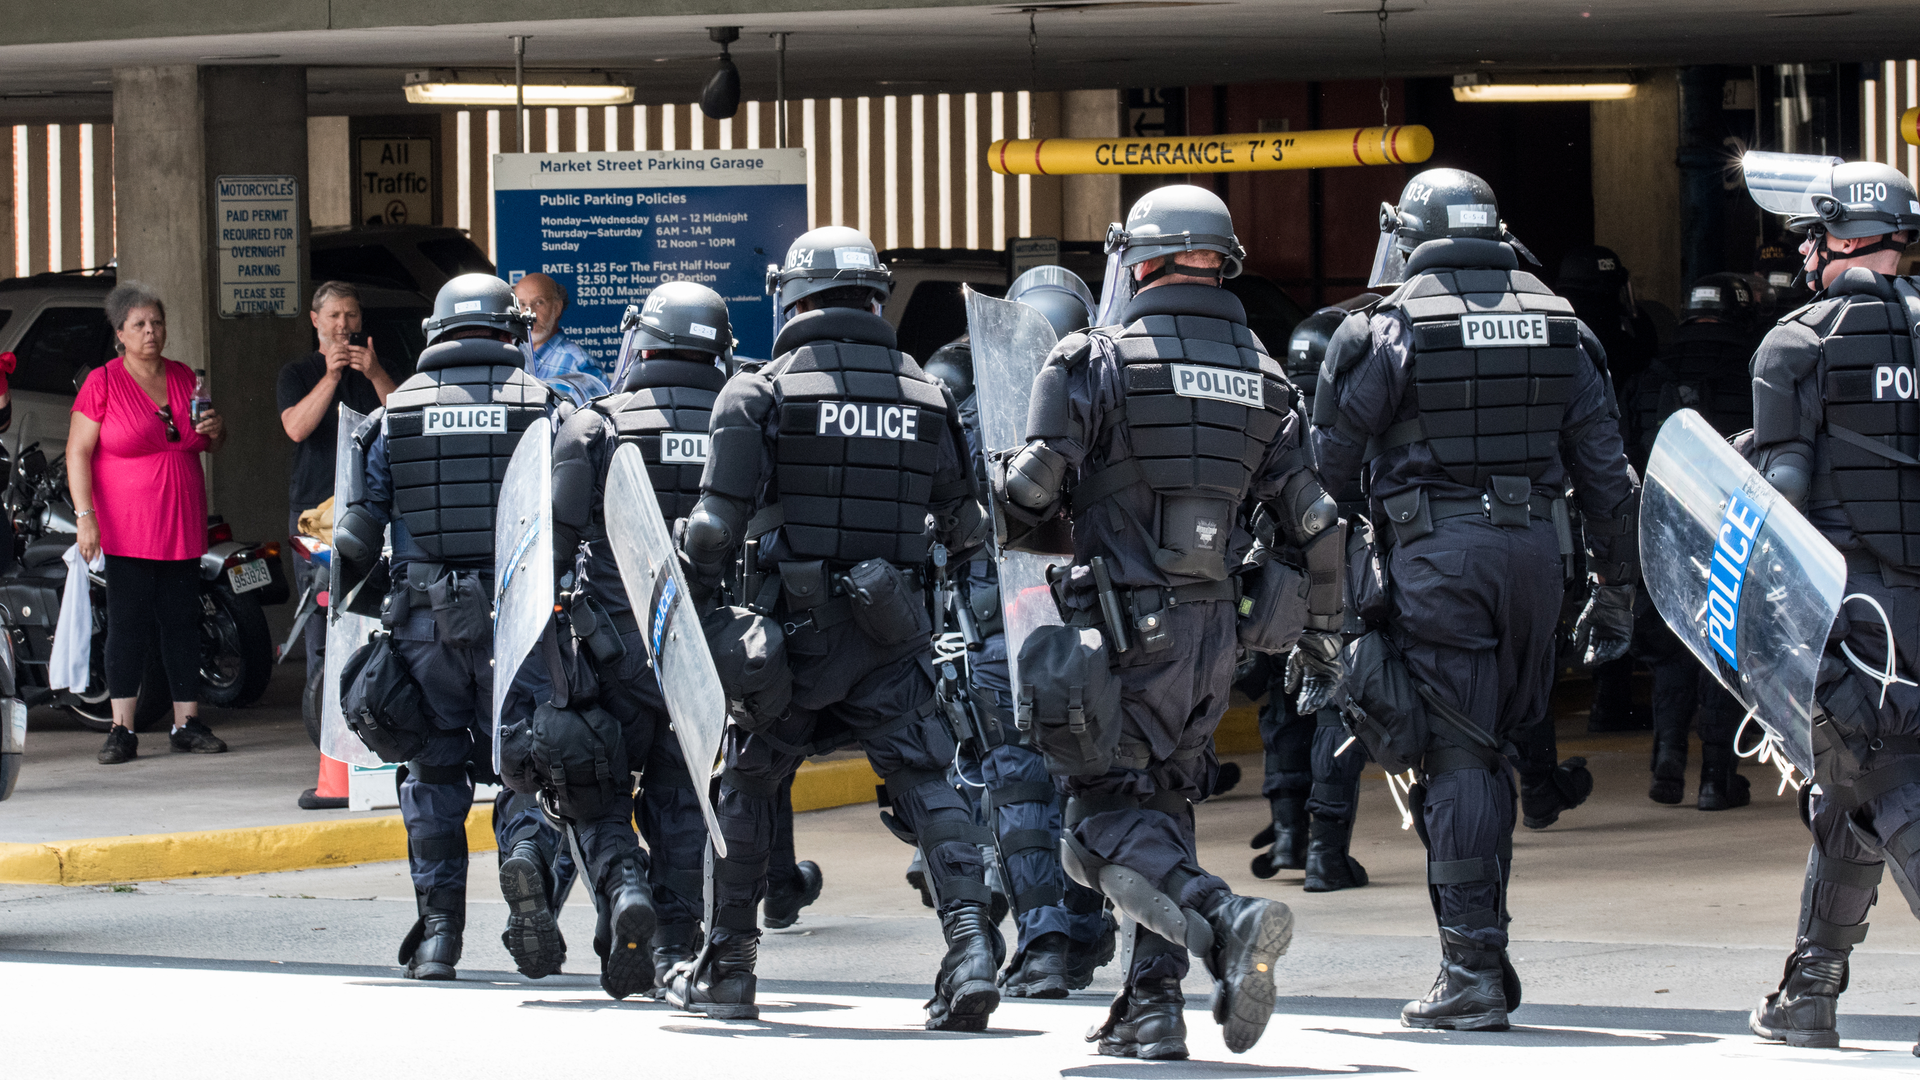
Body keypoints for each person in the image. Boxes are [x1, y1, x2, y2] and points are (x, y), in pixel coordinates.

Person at [993, 185, 1333, 1059]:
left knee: (1095, 824)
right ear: (1221, 262)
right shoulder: (1264, 375)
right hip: (1216, 634)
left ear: (1138, 260)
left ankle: (1226, 919)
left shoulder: (1095, 357)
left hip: (1117, 631)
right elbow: (1317, 525)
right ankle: (1152, 1008)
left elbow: (1033, 493)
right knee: (1161, 803)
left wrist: (992, 492)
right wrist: (1321, 640)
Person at [1313, 169, 1638, 1031]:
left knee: (1458, 757)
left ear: (1411, 234)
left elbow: (1329, 475)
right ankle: (1485, 954)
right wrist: (1616, 590)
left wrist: (1326, 595)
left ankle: (1471, 971)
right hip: (1537, 559)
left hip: (1435, 558)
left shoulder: (1388, 326)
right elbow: (1610, 479)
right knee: (1493, 750)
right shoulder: (1564, 326)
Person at [671, 226, 999, 1029]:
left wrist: (695, 594)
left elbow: (714, 529)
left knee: (748, 785)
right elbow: (965, 527)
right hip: (892, 632)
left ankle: (732, 966)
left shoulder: (758, 392)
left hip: (784, 642)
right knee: (927, 781)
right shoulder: (927, 394)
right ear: (873, 295)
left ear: (793, 294)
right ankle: (970, 949)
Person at [1738, 159, 1920, 1051]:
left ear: (1839, 239)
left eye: (1811, 235)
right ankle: (1810, 990)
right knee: (1847, 793)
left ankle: (1812, 990)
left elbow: (1784, 505)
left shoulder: (1798, 341)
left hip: (1857, 609)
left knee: (1881, 781)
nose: (1805, 252)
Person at [331, 273, 554, 980]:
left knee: (431, 775)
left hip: (423, 633)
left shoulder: (391, 418)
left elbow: (356, 540)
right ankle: (524, 868)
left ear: (438, 333)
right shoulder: (547, 407)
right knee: (526, 768)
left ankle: (437, 937)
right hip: (515, 630)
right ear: (506, 330)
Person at [534, 281, 740, 998]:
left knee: (590, 791)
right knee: (684, 806)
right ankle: (673, 952)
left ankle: (624, 887)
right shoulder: (739, 419)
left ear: (641, 340)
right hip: (700, 659)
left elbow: (550, 554)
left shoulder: (596, 424)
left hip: (609, 654)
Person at [923, 264, 1117, 999]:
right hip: (1094, 623)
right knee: (1096, 777)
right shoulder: (1115, 403)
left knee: (1019, 787)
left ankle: (1042, 947)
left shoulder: (972, 416)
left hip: (1001, 626)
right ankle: (1089, 929)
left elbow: (939, 525)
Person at [1245, 296, 1380, 893]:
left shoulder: (1272, 409)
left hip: (1275, 583)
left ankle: (1287, 835)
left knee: (1282, 708)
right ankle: (1325, 852)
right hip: (1339, 580)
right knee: (1333, 709)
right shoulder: (1355, 421)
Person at [69, 282, 229, 766]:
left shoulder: (185, 378)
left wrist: (217, 433)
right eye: (138, 324)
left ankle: (187, 723)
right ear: (120, 333)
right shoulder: (104, 382)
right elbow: (78, 451)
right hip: (127, 525)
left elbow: (205, 443)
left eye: (156, 323)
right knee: (128, 627)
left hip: (180, 522)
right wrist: (85, 516)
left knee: (182, 623)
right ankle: (122, 729)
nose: (150, 332)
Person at [1630, 272, 1764, 810]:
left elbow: (1626, 450)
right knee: (1722, 650)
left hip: (1667, 524)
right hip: (1735, 527)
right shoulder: (1756, 367)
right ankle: (1716, 777)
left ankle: (1667, 758)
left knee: (1672, 650)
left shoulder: (1652, 373)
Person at [277, 281, 396, 719]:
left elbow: (402, 419)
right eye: (333, 316)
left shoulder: (374, 368)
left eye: (350, 316)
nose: (343, 325)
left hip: (369, 512)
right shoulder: (298, 373)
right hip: (314, 515)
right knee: (321, 617)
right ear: (315, 321)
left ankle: (372, 715)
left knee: (372, 612)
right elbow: (296, 427)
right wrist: (330, 376)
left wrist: (375, 373)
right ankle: (326, 721)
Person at [1558, 245, 1660, 736]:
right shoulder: (1622, 338)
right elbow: (1649, 354)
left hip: (1560, 483)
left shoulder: (1559, 330)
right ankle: (1611, 698)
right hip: (1616, 477)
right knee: (1616, 581)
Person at [515, 273, 609, 404]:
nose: (529, 312)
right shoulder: (510, 356)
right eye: (522, 304)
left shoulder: (580, 363)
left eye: (539, 302)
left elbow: (600, 418)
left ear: (557, 307)